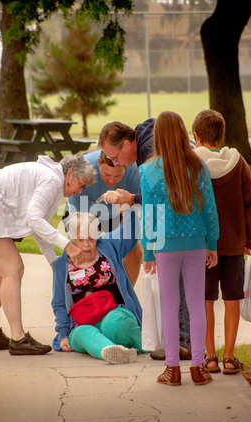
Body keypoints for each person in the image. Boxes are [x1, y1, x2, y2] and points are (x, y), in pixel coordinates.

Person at [0, 154, 96, 355]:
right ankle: (18, 338)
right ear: (70, 174)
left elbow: (39, 229)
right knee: (13, 269)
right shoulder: (52, 180)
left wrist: (55, 264)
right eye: (81, 184)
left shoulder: (53, 182)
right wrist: (68, 246)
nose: (80, 191)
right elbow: (34, 220)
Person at [98, 118, 193, 359]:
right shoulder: (145, 139)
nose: (113, 162)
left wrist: (150, 249)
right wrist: (132, 199)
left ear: (128, 144)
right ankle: (179, 341)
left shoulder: (149, 153)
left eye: (114, 156)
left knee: (174, 285)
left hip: (180, 226)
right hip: (187, 223)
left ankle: (182, 343)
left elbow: (158, 204)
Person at [140, 111, 219, 386]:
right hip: (196, 243)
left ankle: (172, 369)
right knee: (197, 306)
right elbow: (209, 209)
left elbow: (149, 216)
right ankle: (198, 367)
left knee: (170, 307)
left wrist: (148, 253)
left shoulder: (148, 171)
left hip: (164, 247)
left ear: (157, 136)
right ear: (183, 132)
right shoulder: (197, 166)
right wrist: (213, 244)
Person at [192, 109, 251, 374]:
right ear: (222, 135)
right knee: (233, 299)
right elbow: (250, 203)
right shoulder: (238, 161)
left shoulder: (193, 163)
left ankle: (210, 356)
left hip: (203, 246)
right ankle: (230, 357)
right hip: (234, 244)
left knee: (206, 300)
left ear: (196, 136)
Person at [51, 210, 146, 364]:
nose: (87, 245)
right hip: (83, 322)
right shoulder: (62, 265)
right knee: (82, 333)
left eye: (91, 238)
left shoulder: (108, 246)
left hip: (115, 311)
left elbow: (129, 232)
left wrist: (128, 208)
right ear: (72, 239)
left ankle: (145, 343)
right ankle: (111, 351)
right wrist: (63, 335)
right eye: (80, 239)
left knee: (114, 324)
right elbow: (59, 303)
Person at [67, 149, 143, 285]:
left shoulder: (135, 172)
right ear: (98, 163)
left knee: (135, 248)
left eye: (118, 176)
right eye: (106, 175)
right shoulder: (84, 171)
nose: (112, 181)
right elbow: (78, 222)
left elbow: (132, 217)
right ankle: (82, 293)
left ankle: (124, 296)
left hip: (117, 211)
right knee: (81, 247)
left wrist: (123, 243)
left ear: (126, 167)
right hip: (85, 211)